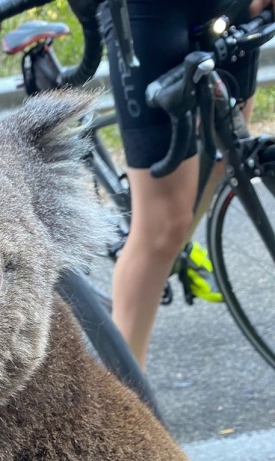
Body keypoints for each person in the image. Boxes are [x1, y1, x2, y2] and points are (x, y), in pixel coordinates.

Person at [103, 0, 272, 369]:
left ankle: (167, 254)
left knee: (229, 158)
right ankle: (126, 414)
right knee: (161, 228)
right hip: (148, 14)